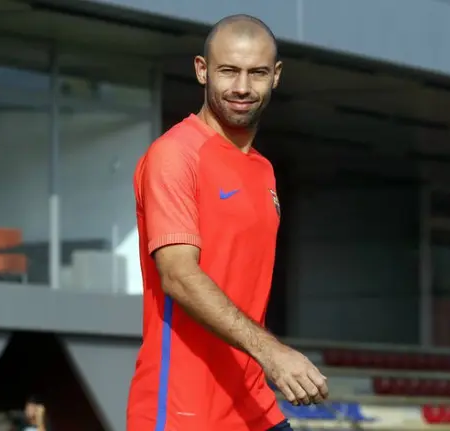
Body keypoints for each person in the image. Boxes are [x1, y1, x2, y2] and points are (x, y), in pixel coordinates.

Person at [126, 14, 329, 431]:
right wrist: (272, 353)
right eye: (228, 71)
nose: (241, 87)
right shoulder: (175, 155)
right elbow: (178, 276)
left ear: (276, 76)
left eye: (257, 73)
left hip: (254, 406)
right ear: (202, 70)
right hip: (183, 412)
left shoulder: (263, 170)